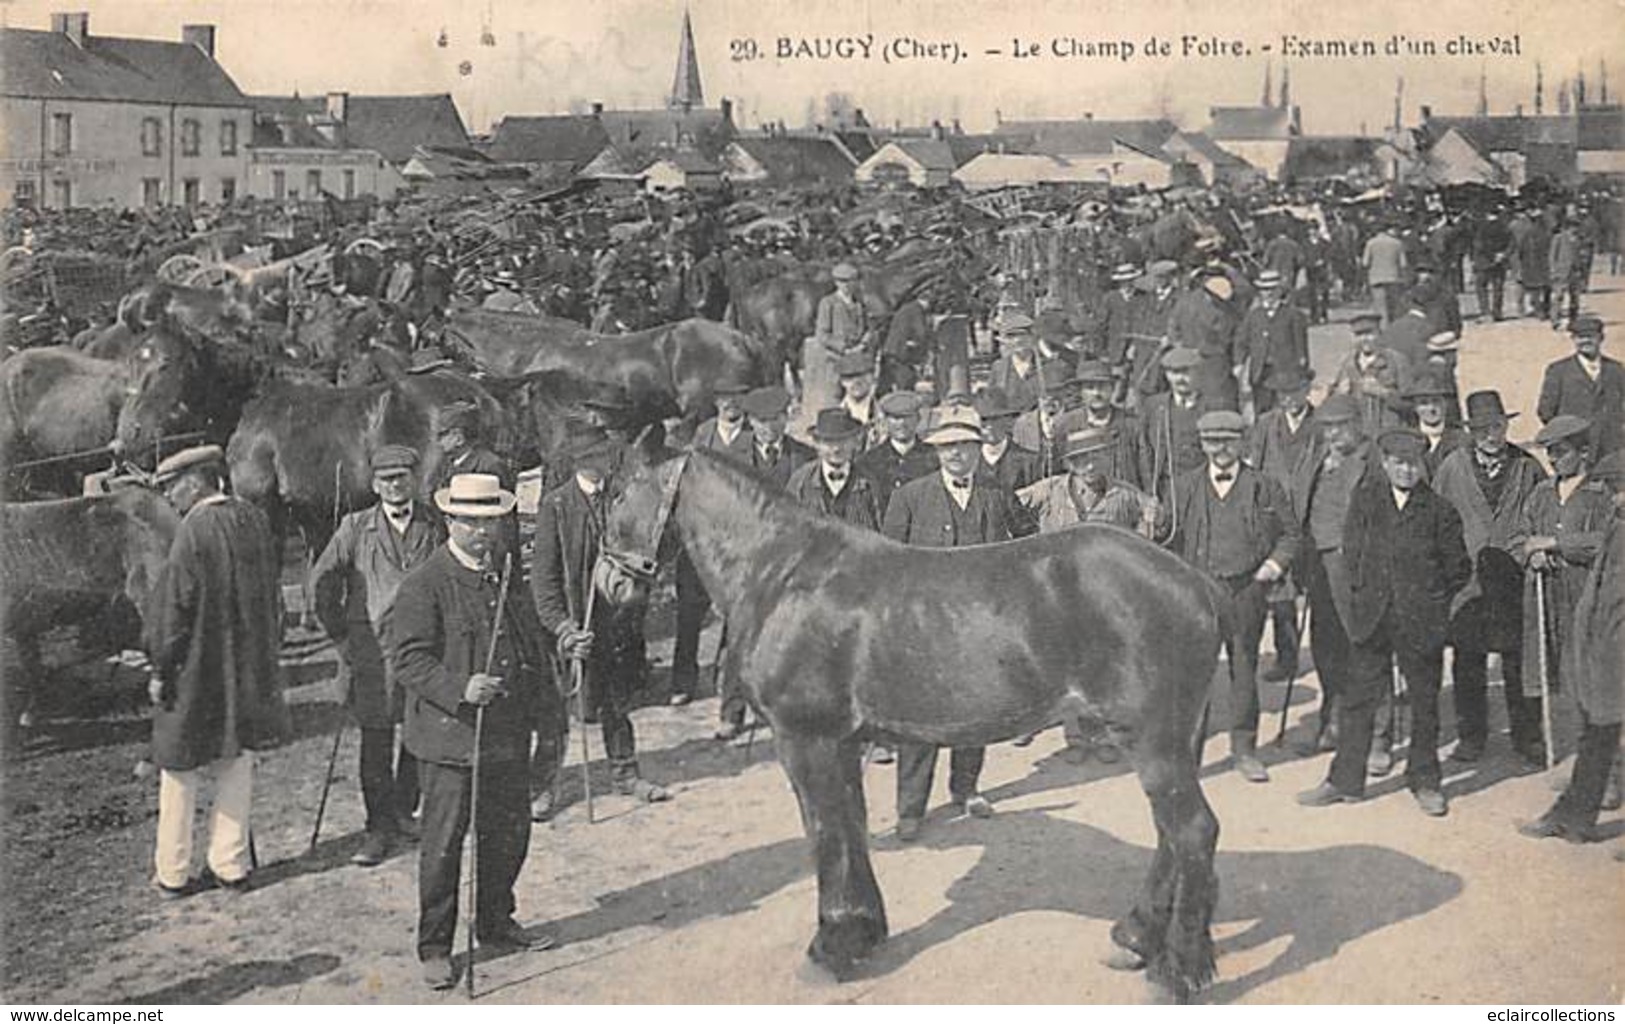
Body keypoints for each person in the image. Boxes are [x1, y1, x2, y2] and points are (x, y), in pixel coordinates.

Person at [394, 473, 555, 989]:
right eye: (471, 521)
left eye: (490, 521)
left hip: (505, 735)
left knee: (507, 836)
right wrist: (459, 687)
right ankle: (436, 946)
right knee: (443, 847)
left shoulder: (505, 577)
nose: (482, 532)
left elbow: (527, 644)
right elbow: (407, 658)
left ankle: (495, 922)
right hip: (449, 740)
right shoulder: (425, 582)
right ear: (449, 520)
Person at [1298, 427, 1472, 817]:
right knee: (1358, 700)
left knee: (1425, 705)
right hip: (1373, 619)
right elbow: (1353, 553)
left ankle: (1425, 781)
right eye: (1398, 463)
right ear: (1385, 463)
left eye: (1413, 464)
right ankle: (1344, 781)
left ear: (1422, 465)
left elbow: (1458, 569)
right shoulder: (1365, 501)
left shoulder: (1440, 511)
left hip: (1420, 621)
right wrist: (1363, 596)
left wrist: (1429, 603)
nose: (1407, 471)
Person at [144, 445, 288, 898]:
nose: (169, 497)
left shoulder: (192, 531)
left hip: (196, 669)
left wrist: (160, 668)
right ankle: (231, 864)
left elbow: (175, 611)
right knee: (237, 760)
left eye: (172, 487)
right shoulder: (254, 520)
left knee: (177, 767)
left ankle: (173, 871)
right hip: (247, 669)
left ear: (198, 480)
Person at [884, 406, 1013, 840]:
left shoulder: (996, 494)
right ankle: (911, 808)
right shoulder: (910, 497)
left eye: (965, 445)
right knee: (919, 718)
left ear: (979, 449)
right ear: (936, 451)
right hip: (924, 626)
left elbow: (1024, 547)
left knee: (974, 709)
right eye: (947, 446)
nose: (957, 454)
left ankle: (967, 788)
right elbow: (888, 562)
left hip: (980, 625)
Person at [311, 445, 444, 865]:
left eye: (403, 476)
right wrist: (342, 637)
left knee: (419, 733)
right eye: (387, 479)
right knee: (376, 738)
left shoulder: (435, 524)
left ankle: (405, 810)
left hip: (425, 649)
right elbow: (321, 581)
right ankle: (378, 828)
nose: (396, 485)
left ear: (414, 479)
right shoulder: (355, 527)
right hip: (374, 652)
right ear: (374, 485)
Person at [532, 431, 672, 803]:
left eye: (606, 455)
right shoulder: (556, 506)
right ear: (579, 462)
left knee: (616, 702)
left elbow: (644, 554)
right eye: (595, 457)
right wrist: (563, 628)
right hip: (570, 626)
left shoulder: (621, 498)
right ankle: (544, 786)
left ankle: (626, 774)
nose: (604, 463)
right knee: (556, 713)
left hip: (614, 623)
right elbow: (543, 582)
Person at [1013, 423, 1162, 760]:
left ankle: (1105, 736)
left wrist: (1152, 517)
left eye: (1096, 457)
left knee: (1103, 666)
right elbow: (1008, 505)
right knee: (1064, 667)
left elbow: (1153, 525)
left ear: (1107, 457)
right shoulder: (1049, 490)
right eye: (1081, 460)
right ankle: (1076, 737)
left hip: (1104, 596)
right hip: (1056, 594)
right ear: (1069, 464)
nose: (1090, 466)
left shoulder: (1124, 495)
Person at [1170, 411, 1300, 782]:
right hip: (1198, 594)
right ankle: (1188, 759)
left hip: (1246, 590)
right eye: (1213, 442)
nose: (1221, 449)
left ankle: (1244, 750)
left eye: (1228, 441)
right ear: (1202, 445)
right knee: (1195, 675)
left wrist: (1272, 567)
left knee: (1244, 668)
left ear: (1242, 443)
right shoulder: (1184, 488)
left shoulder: (1265, 486)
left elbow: (1291, 536)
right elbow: (1168, 541)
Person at [1430, 392, 1549, 768]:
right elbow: (1435, 518)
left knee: (1518, 660)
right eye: (1481, 428)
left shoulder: (1527, 466)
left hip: (1515, 578)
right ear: (1471, 431)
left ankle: (1527, 737)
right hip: (1469, 581)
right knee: (1468, 659)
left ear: (1506, 425)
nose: (1490, 435)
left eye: (1496, 426)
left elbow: (1545, 511)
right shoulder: (1452, 466)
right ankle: (1471, 736)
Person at [1517, 452, 1624, 844]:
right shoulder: (1618, 521)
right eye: (1613, 490)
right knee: (1597, 733)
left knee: (1601, 731)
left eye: (1620, 489)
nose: (1615, 498)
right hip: (1607, 646)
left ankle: (1573, 816)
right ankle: (1573, 818)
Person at [1513, 416, 1616, 763]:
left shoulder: (1601, 494)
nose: (1554, 460)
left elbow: (1605, 541)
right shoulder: (1541, 494)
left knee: (1593, 676)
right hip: (1549, 595)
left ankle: (1606, 766)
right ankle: (1572, 757)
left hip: (1587, 597)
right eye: (1550, 454)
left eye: (1561, 452)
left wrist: (1556, 543)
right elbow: (1522, 538)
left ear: (1583, 452)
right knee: (1558, 675)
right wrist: (1533, 556)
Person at [672, 382, 756, 705]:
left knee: (736, 613)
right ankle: (683, 681)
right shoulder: (703, 434)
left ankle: (728, 679)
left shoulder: (752, 436)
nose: (730, 404)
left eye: (736, 396)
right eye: (723, 398)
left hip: (738, 540)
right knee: (689, 612)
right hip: (701, 540)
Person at [1247, 365, 1320, 682]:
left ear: (1307, 390)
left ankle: (1328, 653)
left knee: (1320, 589)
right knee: (1281, 593)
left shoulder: (1321, 426)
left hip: (1313, 516)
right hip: (1277, 519)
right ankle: (1287, 657)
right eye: (1284, 394)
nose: (1290, 399)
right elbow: (1254, 466)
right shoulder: (1266, 425)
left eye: (1296, 391)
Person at [1536, 316, 1624, 460]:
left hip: (1611, 447)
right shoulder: (1558, 370)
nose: (1585, 341)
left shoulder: (1616, 369)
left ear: (1601, 338)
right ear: (1573, 339)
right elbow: (1546, 410)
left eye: (1590, 336)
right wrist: (1565, 436)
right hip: (1572, 449)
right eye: (1580, 337)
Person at [1138, 347, 1211, 505]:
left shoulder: (1212, 408)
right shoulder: (1155, 406)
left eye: (1186, 372)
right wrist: (1149, 490)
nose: (1180, 379)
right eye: (1174, 373)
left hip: (1203, 491)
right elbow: (1144, 450)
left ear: (1198, 372)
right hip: (1164, 490)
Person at [1239, 269, 1310, 414]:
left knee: (1285, 410)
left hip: (1285, 372)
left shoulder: (1293, 315)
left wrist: (1301, 369)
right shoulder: (1254, 316)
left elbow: (1301, 347)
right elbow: (1241, 340)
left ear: (1280, 290)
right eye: (1264, 290)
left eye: (1272, 289)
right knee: (1262, 411)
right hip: (1260, 373)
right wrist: (1238, 363)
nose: (1269, 294)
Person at [1330, 310, 1410, 438]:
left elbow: (1411, 404)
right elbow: (1333, 407)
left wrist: (1383, 392)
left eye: (1369, 333)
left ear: (1379, 332)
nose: (1364, 339)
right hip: (1358, 437)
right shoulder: (1347, 364)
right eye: (1358, 334)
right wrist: (1340, 394)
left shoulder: (1396, 361)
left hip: (1390, 435)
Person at [856, 391, 936, 518]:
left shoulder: (934, 458)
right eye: (896, 418)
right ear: (885, 421)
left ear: (918, 419)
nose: (902, 424)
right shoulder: (868, 461)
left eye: (908, 417)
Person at [805, 262, 868, 413]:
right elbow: (822, 335)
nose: (846, 285)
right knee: (834, 397)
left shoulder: (858, 304)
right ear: (836, 283)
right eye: (842, 281)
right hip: (835, 359)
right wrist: (843, 348)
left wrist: (863, 344)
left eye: (850, 281)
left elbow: (867, 328)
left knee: (857, 397)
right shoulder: (828, 303)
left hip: (856, 358)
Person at [741, 385, 814, 488]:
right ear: (750, 420)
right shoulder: (733, 455)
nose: (769, 427)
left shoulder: (806, 456)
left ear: (786, 417)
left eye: (775, 419)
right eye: (762, 421)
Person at [1403, 372, 1467, 478]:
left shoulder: (1462, 441)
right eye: (1424, 403)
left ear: (1446, 404)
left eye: (1436, 401)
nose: (1431, 408)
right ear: (1415, 407)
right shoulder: (1406, 440)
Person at [1361, 221, 1408, 328]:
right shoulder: (1397, 243)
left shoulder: (1371, 243)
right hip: (1394, 278)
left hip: (1376, 279)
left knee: (1381, 308)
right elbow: (1403, 264)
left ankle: (1383, 330)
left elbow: (1365, 263)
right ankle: (1394, 330)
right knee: (1394, 307)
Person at [1471, 210, 1513, 321]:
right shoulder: (1505, 227)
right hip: (1499, 262)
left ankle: (1485, 312)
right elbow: (1512, 243)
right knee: (1498, 288)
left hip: (1484, 261)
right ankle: (1497, 312)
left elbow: (1479, 245)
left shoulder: (1481, 228)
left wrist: (1490, 256)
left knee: (1481, 287)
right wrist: (1503, 255)